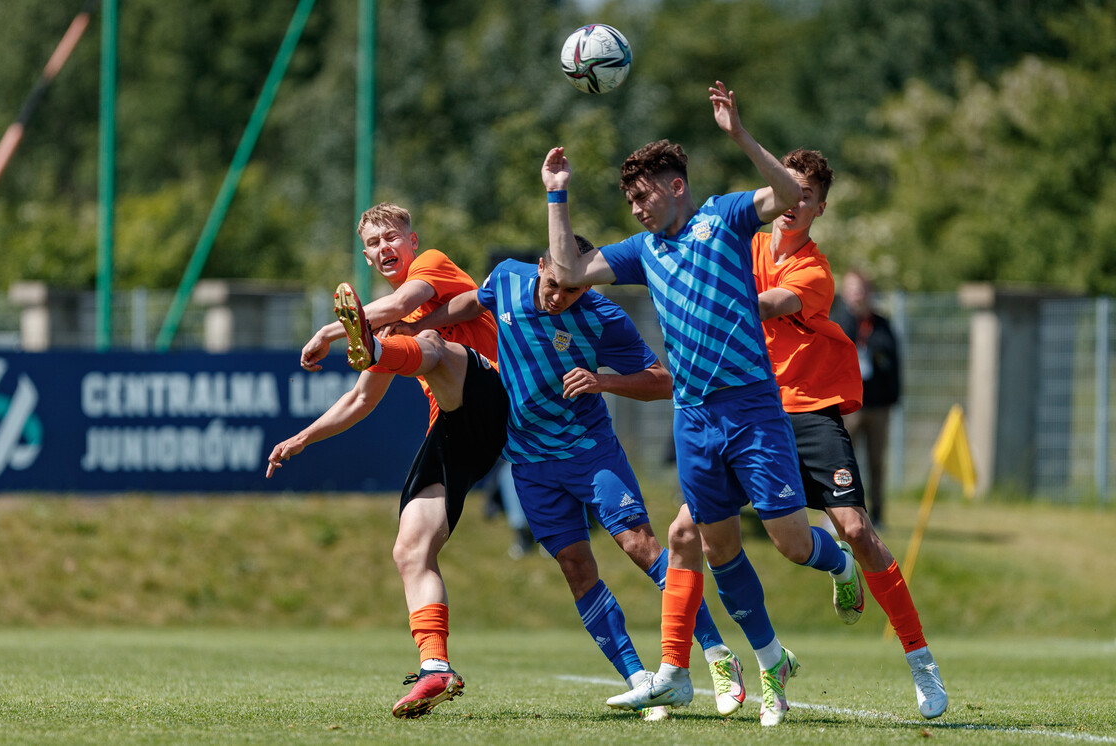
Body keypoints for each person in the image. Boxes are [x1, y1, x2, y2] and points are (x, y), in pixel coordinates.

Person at [541, 81, 861, 727]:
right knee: (716, 550)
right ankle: (772, 665)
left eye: (642, 195)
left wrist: (739, 133)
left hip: (752, 409)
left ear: (676, 186)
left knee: (792, 544)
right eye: (628, 198)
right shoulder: (641, 252)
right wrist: (557, 194)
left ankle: (840, 561)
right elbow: (568, 273)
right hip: (694, 416)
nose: (634, 208)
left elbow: (790, 194)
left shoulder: (724, 216)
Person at [402, 243, 749, 720]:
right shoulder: (506, 278)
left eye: (573, 289)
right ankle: (640, 681)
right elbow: (470, 302)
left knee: (639, 545)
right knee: (576, 569)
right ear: (540, 266)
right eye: (553, 284)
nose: (560, 297)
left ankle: (716, 654)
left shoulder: (602, 317)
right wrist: (418, 325)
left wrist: (604, 382)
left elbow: (661, 380)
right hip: (528, 462)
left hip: (590, 452)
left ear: (588, 284)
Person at [265, 202, 509, 720]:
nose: (382, 250)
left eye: (390, 238)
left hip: (497, 391)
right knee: (410, 547)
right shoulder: (391, 325)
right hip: (457, 428)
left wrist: (332, 333)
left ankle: (374, 349)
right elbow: (359, 401)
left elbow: (400, 302)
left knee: (428, 343)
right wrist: (302, 438)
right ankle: (436, 667)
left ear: (413, 240)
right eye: (372, 245)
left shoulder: (431, 268)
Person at [751, 148, 946, 719]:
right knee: (692, 529)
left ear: (820, 207)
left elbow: (769, 304)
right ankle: (679, 667)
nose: (794, 201)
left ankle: (920, 659)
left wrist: (705, 297)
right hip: (753, 411)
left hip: (810, 412)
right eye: (787, 188)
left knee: (859, 529)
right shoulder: (744, 244)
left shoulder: (814, 269)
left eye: (806, 194)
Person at [832, 270, 901, 529]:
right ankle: (844, 513)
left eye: (861, 289)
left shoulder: (881, 323)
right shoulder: (838, 320)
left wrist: (893, 394)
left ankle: (879, 515)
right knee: (844, 462)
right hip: (848, 405)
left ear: (869, 292)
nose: (857, 294)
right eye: (851, 289)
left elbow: (893, 359)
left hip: (878, 405)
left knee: (877, 463)